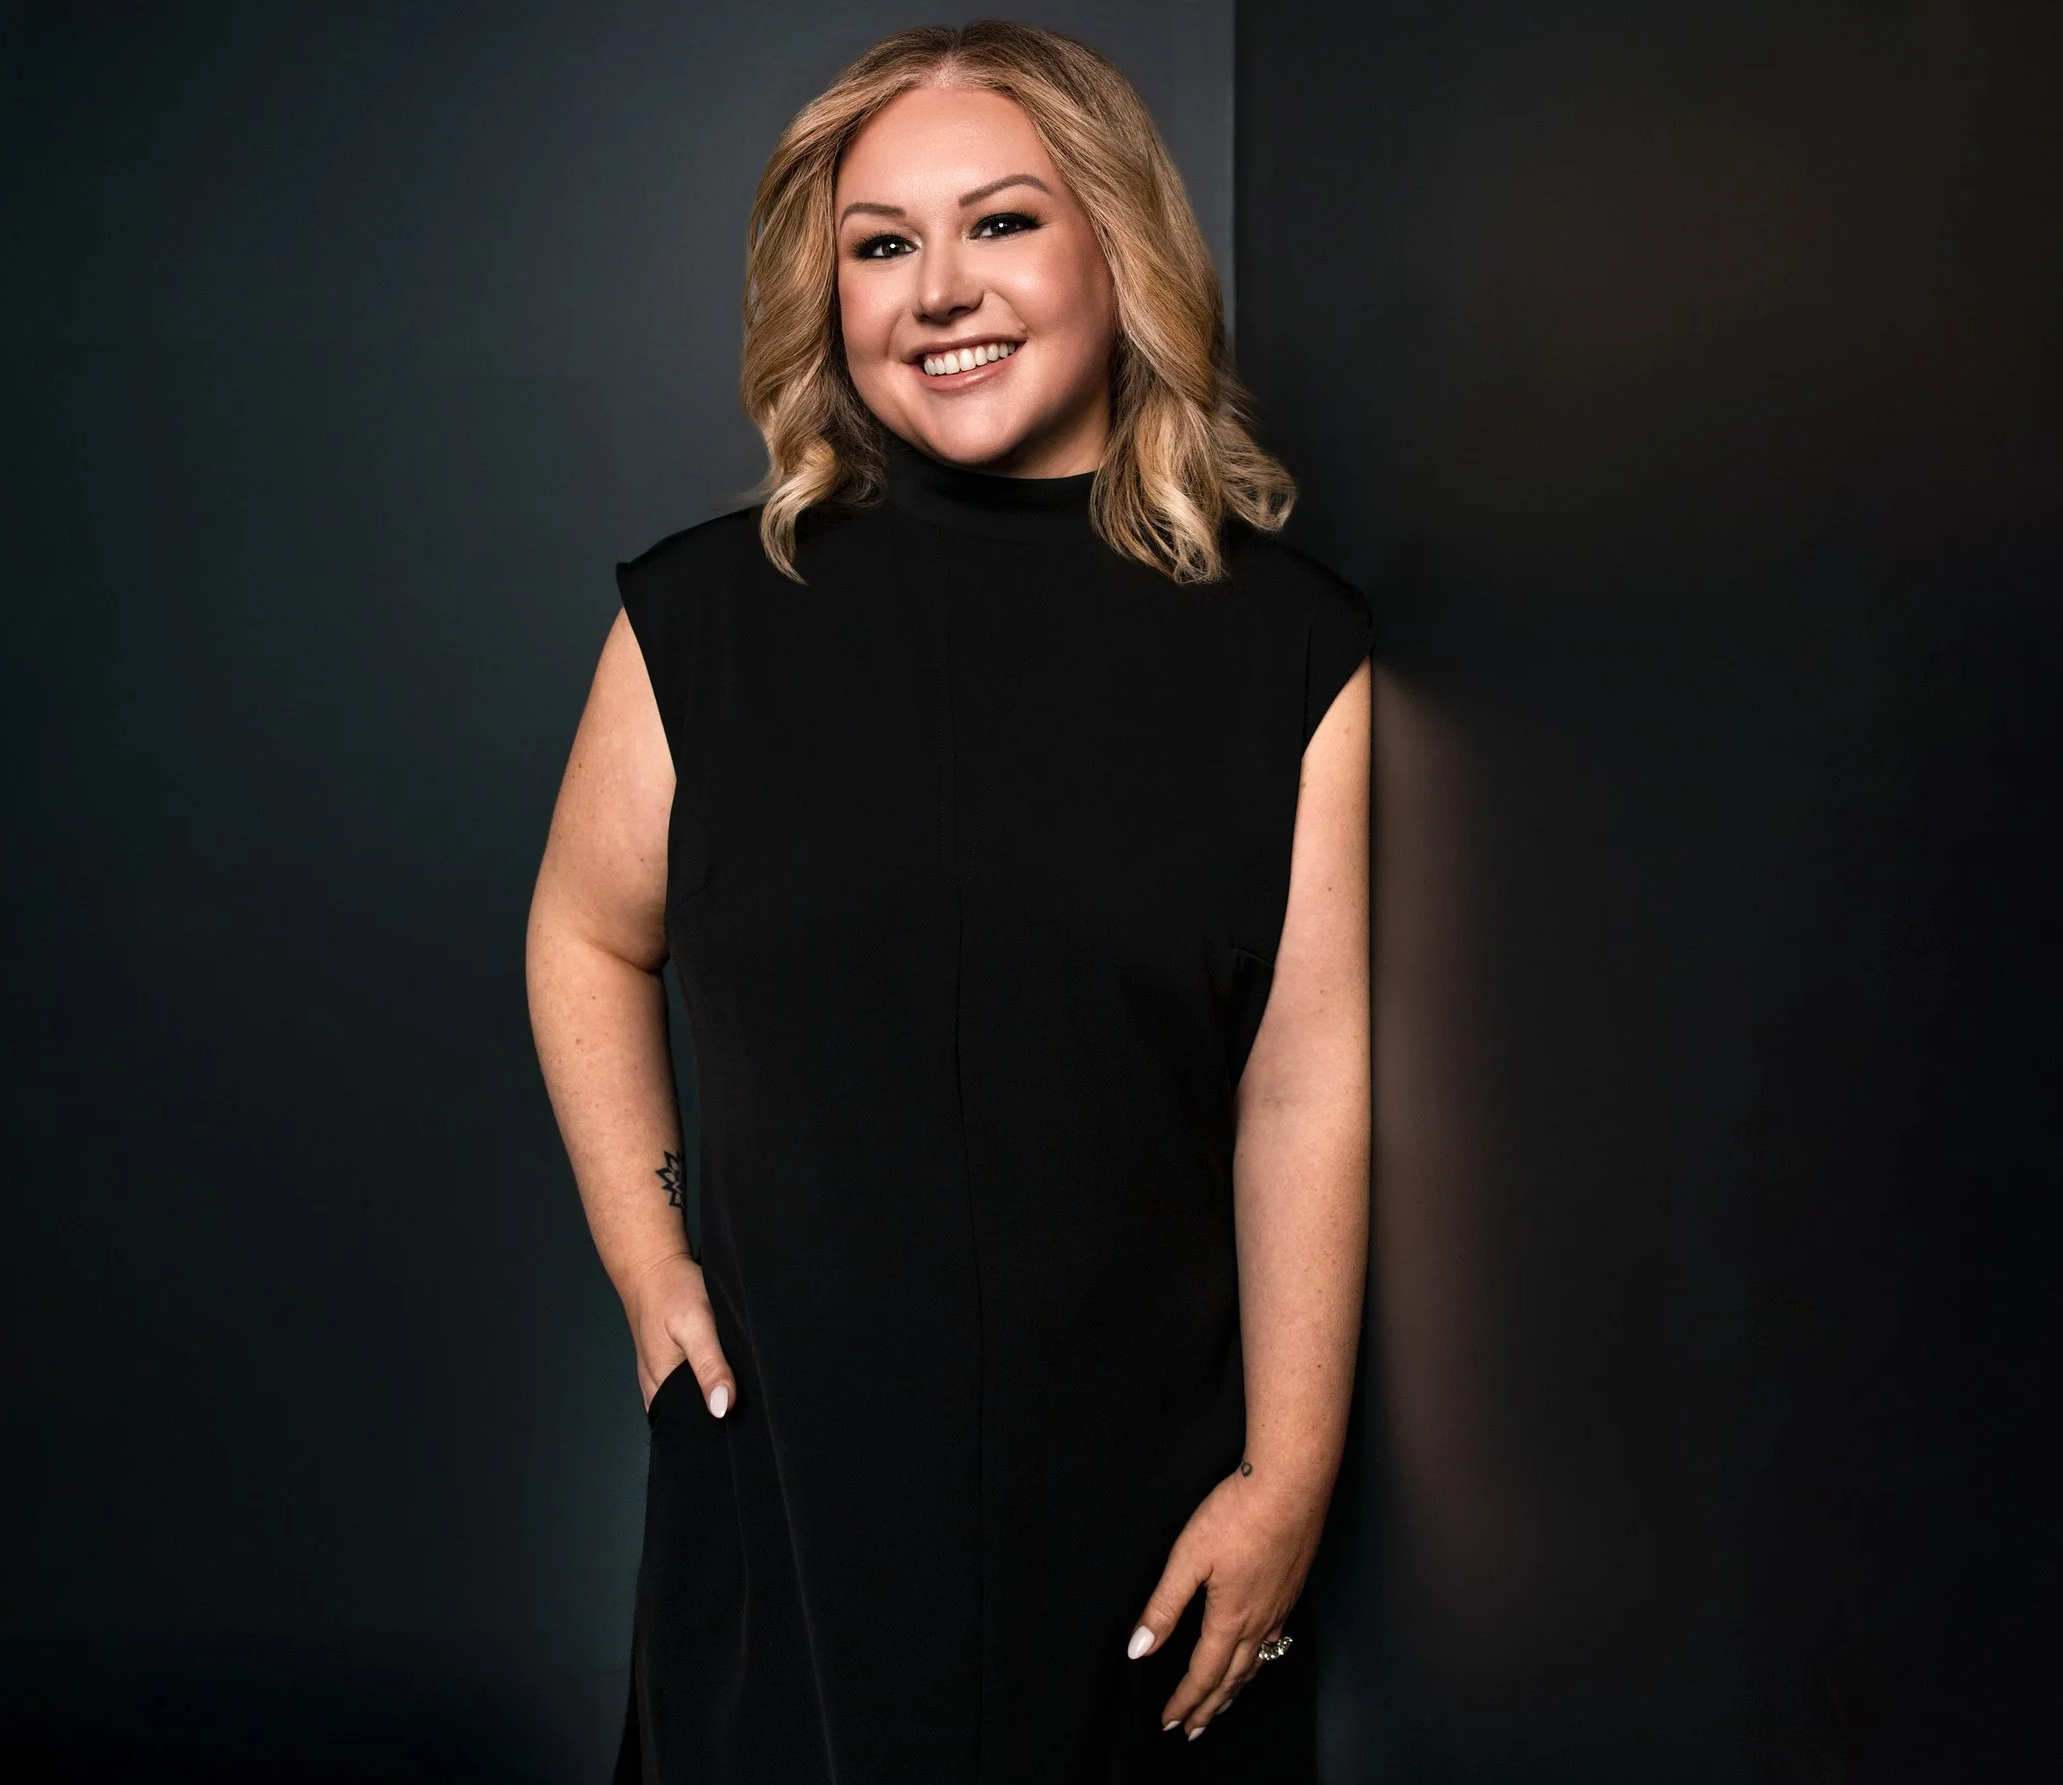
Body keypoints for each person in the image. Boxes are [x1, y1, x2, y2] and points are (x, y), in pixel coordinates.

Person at [525, 20, 1371, 1783]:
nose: (937, 290)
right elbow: (587, 930)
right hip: (791, 1491)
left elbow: (1303, 1083)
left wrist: (1286, 1478)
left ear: (1115, 249)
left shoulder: (1291, 651)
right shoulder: (704, 620)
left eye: (1000, 223)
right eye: (881, 244)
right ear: (826, 298)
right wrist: (647, 1251)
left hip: (1135, 1499)